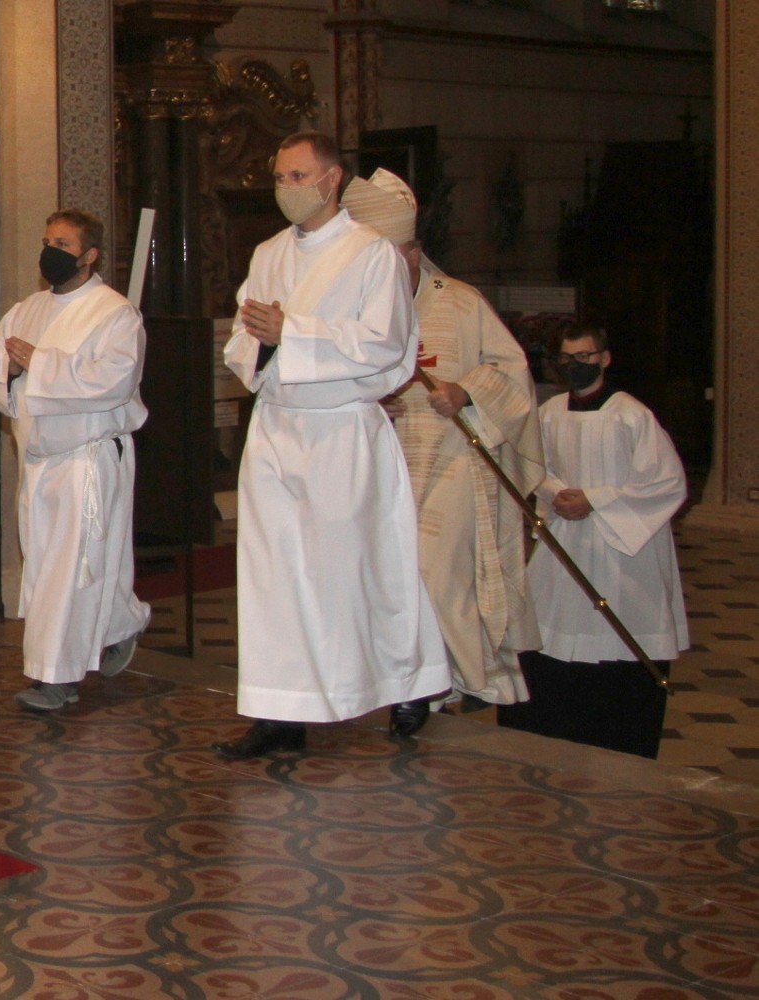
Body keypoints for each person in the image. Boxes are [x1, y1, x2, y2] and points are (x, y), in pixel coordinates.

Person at [213, 131, 450, 761]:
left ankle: (409, 681)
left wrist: (293, 332)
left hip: (341, 433)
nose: (286, 188)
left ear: (331, 179)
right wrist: (264, 342)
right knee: (273, 577)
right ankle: (280, 712)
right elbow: (241, 340)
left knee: (361, 569)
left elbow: (386, 342)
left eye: (298, 176)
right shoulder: (267, 253)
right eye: (279, 177)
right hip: (278, 429)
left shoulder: (371, 254)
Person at [343, 168, 546, 710]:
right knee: (389, 577)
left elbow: (512, 372)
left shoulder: (459, 302)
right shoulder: (355, 311)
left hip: (455, 457)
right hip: (385, 462)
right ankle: (412, 685)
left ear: (413, 254)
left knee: (435, 571)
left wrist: (465, 392)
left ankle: (461, 677)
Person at [0, 209, 151, 712]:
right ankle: (121, 622)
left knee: (69, 569)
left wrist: (41, 363)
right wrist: (12, 371)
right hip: (40, 458)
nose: (50, 251)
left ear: (89, 254)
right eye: (46, 240)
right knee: (56, 563)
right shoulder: (27, 309)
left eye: (63, 244)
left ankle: (56, 679)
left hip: (86, 458)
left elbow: (113, 381)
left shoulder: (113, 313)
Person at [498, 325, 688, 758]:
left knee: (616, 630)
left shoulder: (631, 415)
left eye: (584, 357)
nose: (575, 366)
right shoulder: (550, 412)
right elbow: (532, 464)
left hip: (621, 544)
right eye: (566, 359)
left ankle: (616, 739)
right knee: (546, 629)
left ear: (604, 358)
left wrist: (595, 500)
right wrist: (557, 494)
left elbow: (667, 482)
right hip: (566, 534)